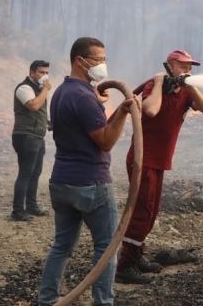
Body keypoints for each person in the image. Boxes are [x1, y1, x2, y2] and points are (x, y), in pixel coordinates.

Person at [38, 37, 138, 306]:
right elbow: (105, 140)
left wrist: (99, 102)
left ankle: (47, 300)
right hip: (91, 184)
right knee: (106, 248)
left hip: (62, 181)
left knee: (62, 246)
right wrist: (122, 113)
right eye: (99, 60)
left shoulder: (62, 92)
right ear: (80, 61)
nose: (103, 65)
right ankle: (103, 302)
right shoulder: (83, 98)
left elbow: (82, 124)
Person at [115, 50, 203, 284]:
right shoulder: (152, 87)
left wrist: (192, 85)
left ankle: (136, 257)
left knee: (150, 212)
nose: (188, 70)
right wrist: (158, 83)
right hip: (141, 160)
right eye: (184, 66)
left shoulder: (187, 91)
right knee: (141, 213)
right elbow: (150, 110)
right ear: (170, 65)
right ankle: (124, 266)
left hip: (159, 161)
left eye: (191, 67)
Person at [11, 59, 52, 222]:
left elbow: (39, 113)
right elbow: (33, 106)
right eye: (42, 72)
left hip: (36, 136)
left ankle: (32, 206)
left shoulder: (39, 89)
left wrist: (48, 123)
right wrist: (46, 90)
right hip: (25, 136)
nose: (45, 76)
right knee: (25, 174)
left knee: (35, 174)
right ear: (32, 72)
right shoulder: (24, 88)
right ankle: (17, 211)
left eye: (47, 72)